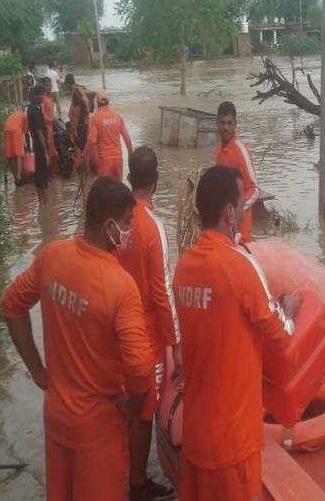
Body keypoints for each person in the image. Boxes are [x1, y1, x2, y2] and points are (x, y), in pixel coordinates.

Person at [0, 177, 157, 501]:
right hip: (98, 429)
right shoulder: (120, 286)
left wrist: (39, 372)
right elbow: (141, 370)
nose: (130, 230)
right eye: (128, 222)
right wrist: (132, 409)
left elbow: (11, 304)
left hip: (56, 415)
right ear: (110, 225)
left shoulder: (52, 255)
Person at [173, 165, 301, 501]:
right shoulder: (240, 267)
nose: (245, 212)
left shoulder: (184, 267)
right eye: (242, 206)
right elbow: (281, 334)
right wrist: (289, 309)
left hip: (196, 433)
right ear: (230, 212)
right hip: (233, 441)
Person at [113, 147, 179, 501]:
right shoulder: (154, 227)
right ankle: (136, 483)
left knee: (121, 405)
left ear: (129, 177)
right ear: (155, 180)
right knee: (142, 412)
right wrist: (177, 345)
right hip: (144, 339)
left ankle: (119, 471)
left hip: (114, 333)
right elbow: (162, 292)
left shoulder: (114, 220)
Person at [214, 101, 259, 243]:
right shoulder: (219, 150)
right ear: (217, 123)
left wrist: (236, 211)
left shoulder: (240, 151)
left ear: (235, 124)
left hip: (241, 231)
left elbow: (254, 189)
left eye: (229, 123)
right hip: (225, 227)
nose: (225, 127)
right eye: (222, 123)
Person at [90, 89, 133, 181]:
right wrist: (131, 157)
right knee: (118, 188)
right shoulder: (118, 116)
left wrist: (84, 156)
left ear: (97, 103)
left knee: (106, 190)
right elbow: (127, 139)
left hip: (104, 161)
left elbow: (92, 141)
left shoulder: (94, 118)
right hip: (118, 159)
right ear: (108, 101)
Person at [27, 84, 52, 205]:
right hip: (40, 145)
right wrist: (46, 151)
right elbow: (39, 131)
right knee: (43, 174)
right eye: (42, 94)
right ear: (36, 95)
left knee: (38, 174)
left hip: (36, 144)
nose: (44, 97)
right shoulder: (36, 110)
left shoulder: (31, 107)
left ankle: (42, 203)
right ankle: (46, 204)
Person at [2, 108, 28, 184]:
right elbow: (26, 133)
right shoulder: (26, 117)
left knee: (10, 155)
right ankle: (19, 177)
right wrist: (28, 148)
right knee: (18, 154)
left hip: (6, 129)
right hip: (15, 130)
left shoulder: (15, 114)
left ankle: (15, 177)